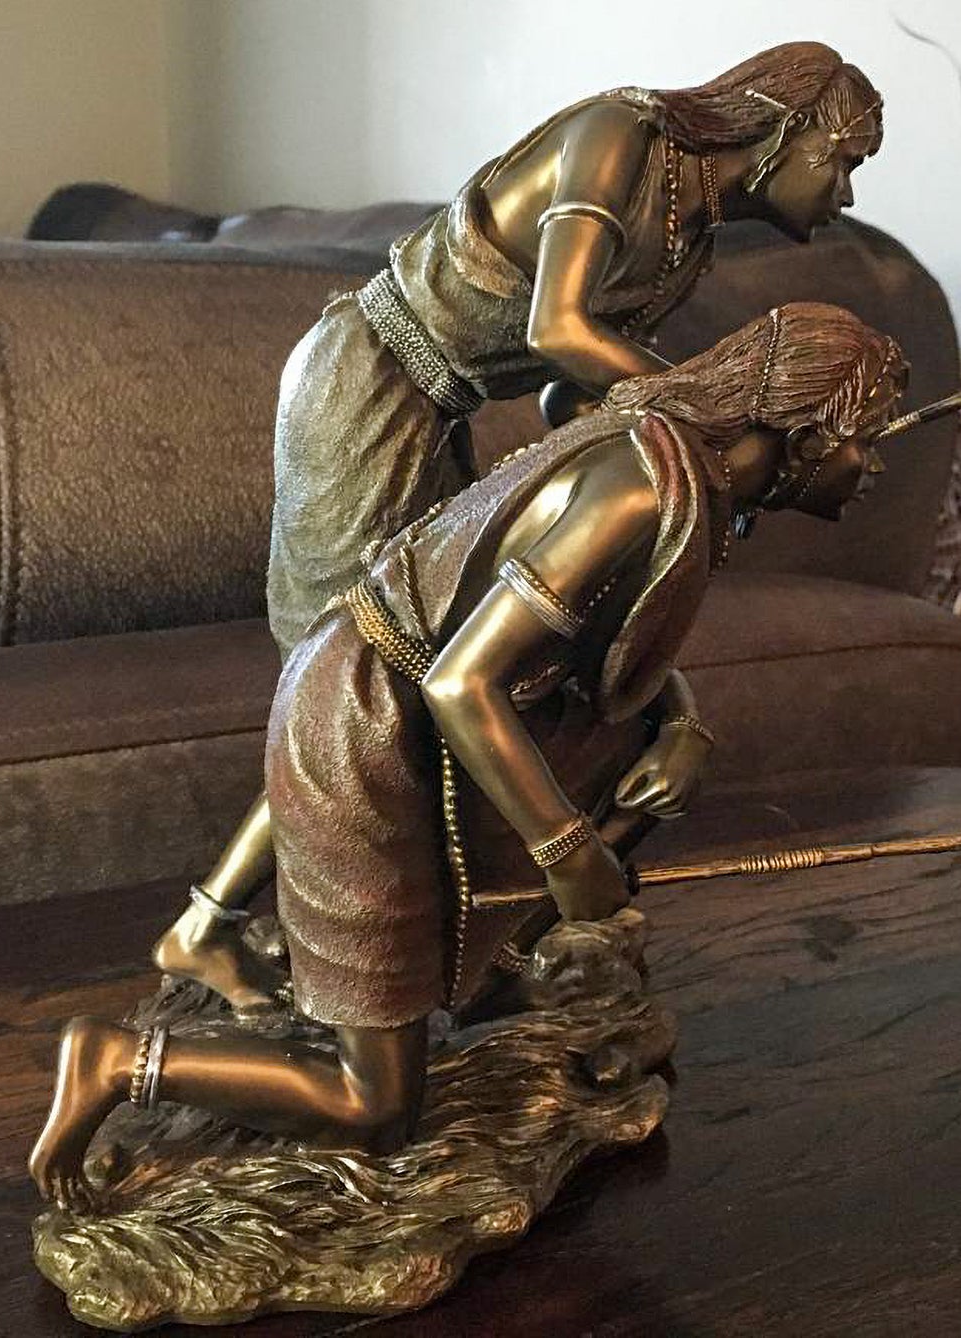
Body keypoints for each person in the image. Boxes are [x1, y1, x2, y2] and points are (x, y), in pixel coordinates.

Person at [30, 303, 908, 1209]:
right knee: (376, 1108)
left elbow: (607, 661)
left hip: (419, 713)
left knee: (646, 759)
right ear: (808, 433)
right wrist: (568, 851)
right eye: (869, 438)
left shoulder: (670, 465)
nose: (875, 465)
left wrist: (680, 727)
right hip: (369, 727)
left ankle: (487, 972)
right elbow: (459, 683)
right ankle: (117, 1063)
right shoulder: (639, 495)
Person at [154, 43, 886, 1008]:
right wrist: (707, 410)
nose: (845, 194)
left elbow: (566, 395)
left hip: (436, 414)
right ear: (786, 128)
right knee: (357, 683)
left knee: (414, 673)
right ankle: (211, 931)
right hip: (366, 385)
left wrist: (636, 444)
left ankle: (371, 950)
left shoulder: (691, 239)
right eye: (843, 161)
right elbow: (558, 329)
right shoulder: (622, 138)